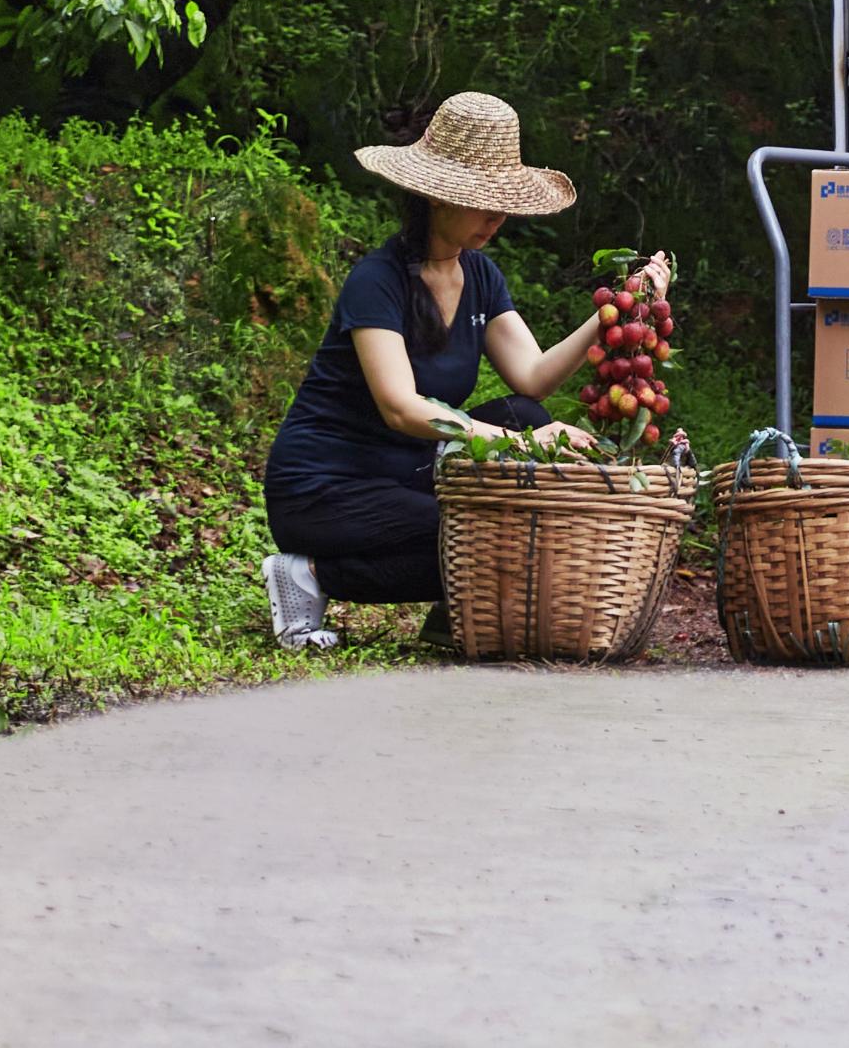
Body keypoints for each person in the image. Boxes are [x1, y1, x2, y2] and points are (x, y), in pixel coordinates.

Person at [260, 89, 663, 650]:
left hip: (406, 475)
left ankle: (455, 615)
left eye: (504, 204)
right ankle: (309, 574)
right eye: (483, 201)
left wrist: (617, 308)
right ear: (435, 197)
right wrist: (519, 447)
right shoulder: (377, 280)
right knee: (486, 534)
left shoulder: (480, 276)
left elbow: (534, 378)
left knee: (522, 415)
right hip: (327, 487)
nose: (498, 218)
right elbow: (400, 407)